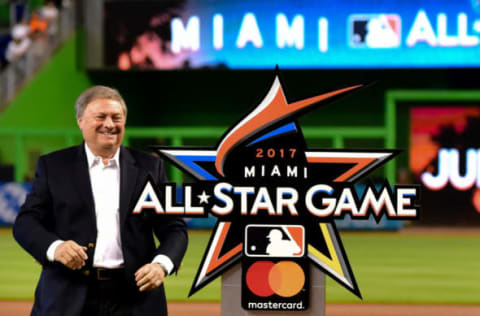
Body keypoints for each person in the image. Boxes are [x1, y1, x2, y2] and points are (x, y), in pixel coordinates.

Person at [13, 86, 188, 316]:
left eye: (117, 117)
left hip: (135, 299)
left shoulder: (150, 168)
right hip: (67, 296)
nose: (109, 124)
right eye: (100, 116)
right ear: (80, 121)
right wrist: (55, 248)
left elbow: (174, 228)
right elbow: (26, 222)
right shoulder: (53, 166)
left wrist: (161, 264)